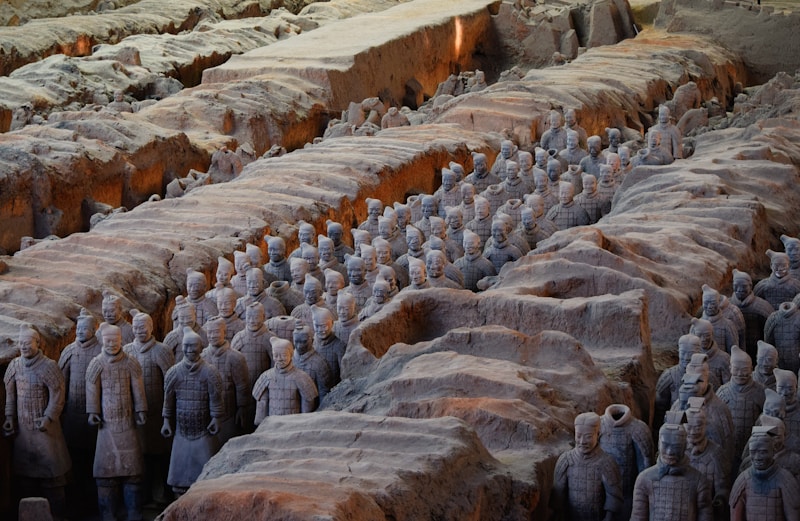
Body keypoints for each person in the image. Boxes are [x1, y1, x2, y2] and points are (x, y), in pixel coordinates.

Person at [4, 324, 72, 519]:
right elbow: (10, 395)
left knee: (53, 478)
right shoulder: (14, 366)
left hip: (46, 431)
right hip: (24, 432)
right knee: (26, 479)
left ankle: (58, 516)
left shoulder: (48, 366)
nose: (24, 347)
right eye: (20, 343)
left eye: (28, 343)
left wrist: (49, 417)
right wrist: (9, 418)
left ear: (38, 342)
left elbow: (58, 393)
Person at [86, 324, 148, 521]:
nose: (111, 344)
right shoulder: (96, 364)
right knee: (105, 475)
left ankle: (134, 513)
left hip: (127, 423)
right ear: (102, 340)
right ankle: (108, 514)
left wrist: (141, 409)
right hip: (107, 426)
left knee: (133, 472)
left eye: (115, 340)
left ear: (122, 339)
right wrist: (93, 411)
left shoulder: (131, 363)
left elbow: (138, 388)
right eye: (108, 340)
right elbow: (92, 389)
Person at [161, 327, 224, 497]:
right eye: (187, 346)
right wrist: (166, 420)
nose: (190, 350)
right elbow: (168, 400)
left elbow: (216, 398)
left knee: (206, 482)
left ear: (201, 347)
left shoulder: (210, 372)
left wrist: (216, 418)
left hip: (203, 432)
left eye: (194, 346)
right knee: (179, 483)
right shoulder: (173, 373)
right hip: (181, 432)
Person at [630, 420, 713, 521]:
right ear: (658, 443)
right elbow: (638, 517)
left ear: (685, 446)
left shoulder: (699, 481)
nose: (670, 452)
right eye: (665, 445)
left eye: (676, 447)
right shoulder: (644, 479)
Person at [551, 412, 623, 521]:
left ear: (598, 434)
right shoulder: (565, 461)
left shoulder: (606, 463)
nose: (582, 441)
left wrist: (608, 517)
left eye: (588, 436)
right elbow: (558, 496)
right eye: (578, 436)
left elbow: (614, 496)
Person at [730, 426, 800, 520]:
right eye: (753, 452)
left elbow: (793, 516)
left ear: (773, 450)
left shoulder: (785, 479)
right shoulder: (743, 480)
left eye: (763, 452)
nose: (757, 457)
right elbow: (735, 517)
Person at [201, 316, 249, 444]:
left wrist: (242, 408)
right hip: (207, 413)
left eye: (216, 331)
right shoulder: (202, 356)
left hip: (229, 414)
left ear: (224, 332)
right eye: (209, 332)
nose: (212, 335)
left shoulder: (236, 358)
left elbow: (242, 386)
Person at [252, 337, 318, 422]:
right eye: (276, 355)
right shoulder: (267, 377)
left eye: (283, 355)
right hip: (272, 425)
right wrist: (261, 427)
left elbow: (307, 405)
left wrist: (303, 424)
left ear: (291, 354)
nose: (279, 359)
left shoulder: (301, 377)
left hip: (292, 424)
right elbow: (262, 405)